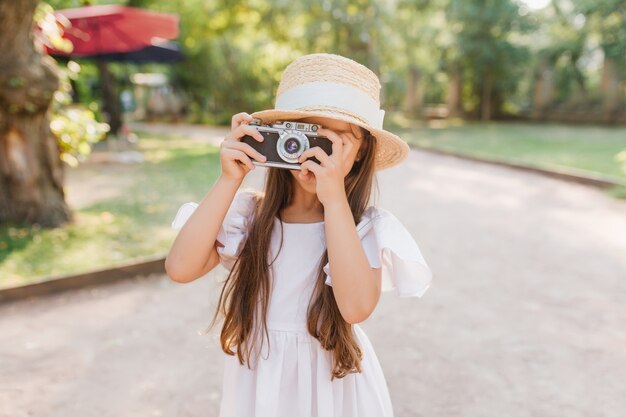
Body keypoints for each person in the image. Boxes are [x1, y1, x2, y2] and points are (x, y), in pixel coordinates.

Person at [165, 53, 434, 417]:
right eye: (305, 134)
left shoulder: (364, 228)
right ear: (281, 137)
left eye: (333, 140)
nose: (312, 152)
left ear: (361, 152)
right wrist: (230, 177)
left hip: (333, 388)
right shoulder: (250, 217)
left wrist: (334, 198)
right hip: (260, 381)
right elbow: (181, 268)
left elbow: (355, 309)